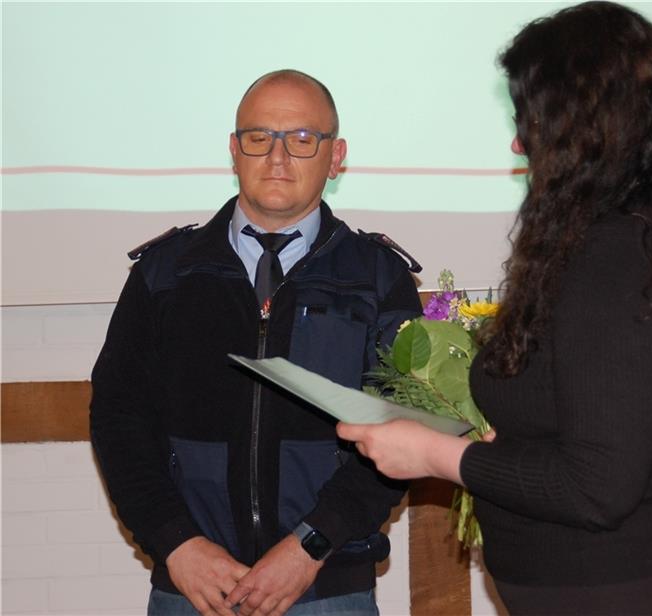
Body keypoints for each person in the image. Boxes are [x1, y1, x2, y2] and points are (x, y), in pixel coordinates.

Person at [337, 3, 652, 614]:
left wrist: (434, 454)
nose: (518, 142)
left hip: (636, 589)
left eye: (529, 119)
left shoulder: (621, 253)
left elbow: (597, 488)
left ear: (579, 127)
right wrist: (510, 443)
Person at [90, 69, 422, 616]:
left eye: (302, 139)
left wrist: (312, 545)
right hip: (194, 587)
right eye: (259, 137)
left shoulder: (378, 277)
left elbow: (401, 430)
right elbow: (119, 418)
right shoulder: (166, 274)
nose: (278, 156)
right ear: (234, 149)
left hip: (328, 588)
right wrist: (177, 542)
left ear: (335, 156)